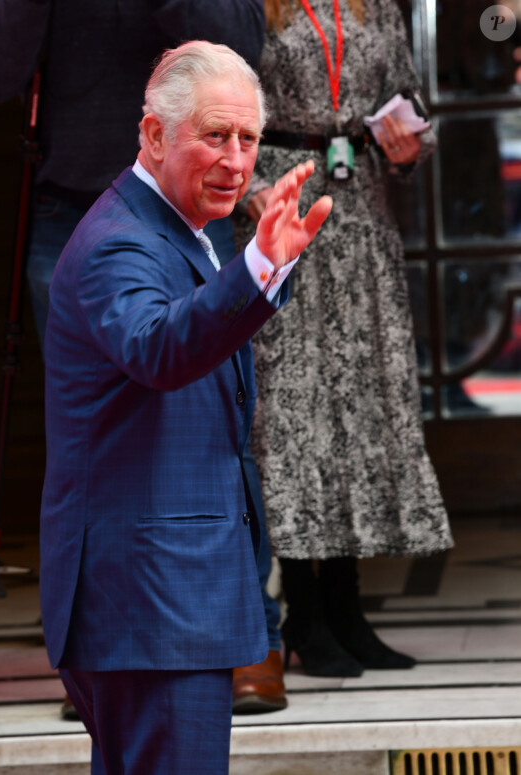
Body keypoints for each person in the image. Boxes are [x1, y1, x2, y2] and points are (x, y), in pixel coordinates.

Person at [0, 0, 286, 715]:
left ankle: (250, 635)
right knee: (91, 438)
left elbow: (240, 41)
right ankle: (111, 646)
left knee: (212, 423)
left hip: (187, 198)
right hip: (71, 202)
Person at [39, 40, 331, 774]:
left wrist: (261, 266)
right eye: (215, 135)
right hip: (151, 606)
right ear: (152, 134)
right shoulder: (119, 243)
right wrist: (260, 268)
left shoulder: (177, 227)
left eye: (248, 139)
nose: (236, 161)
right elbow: (160, 347)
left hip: (162, 604)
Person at [233, 0, 454, 678]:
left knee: (358, 413)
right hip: (282, 209)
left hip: (362, 216)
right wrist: (251, 193)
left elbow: (408, 100)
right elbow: (221, 113)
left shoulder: (378, 5)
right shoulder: (248, 7)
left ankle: (347, 607)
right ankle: (303, 610)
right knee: (295, 418)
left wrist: (411, 144)